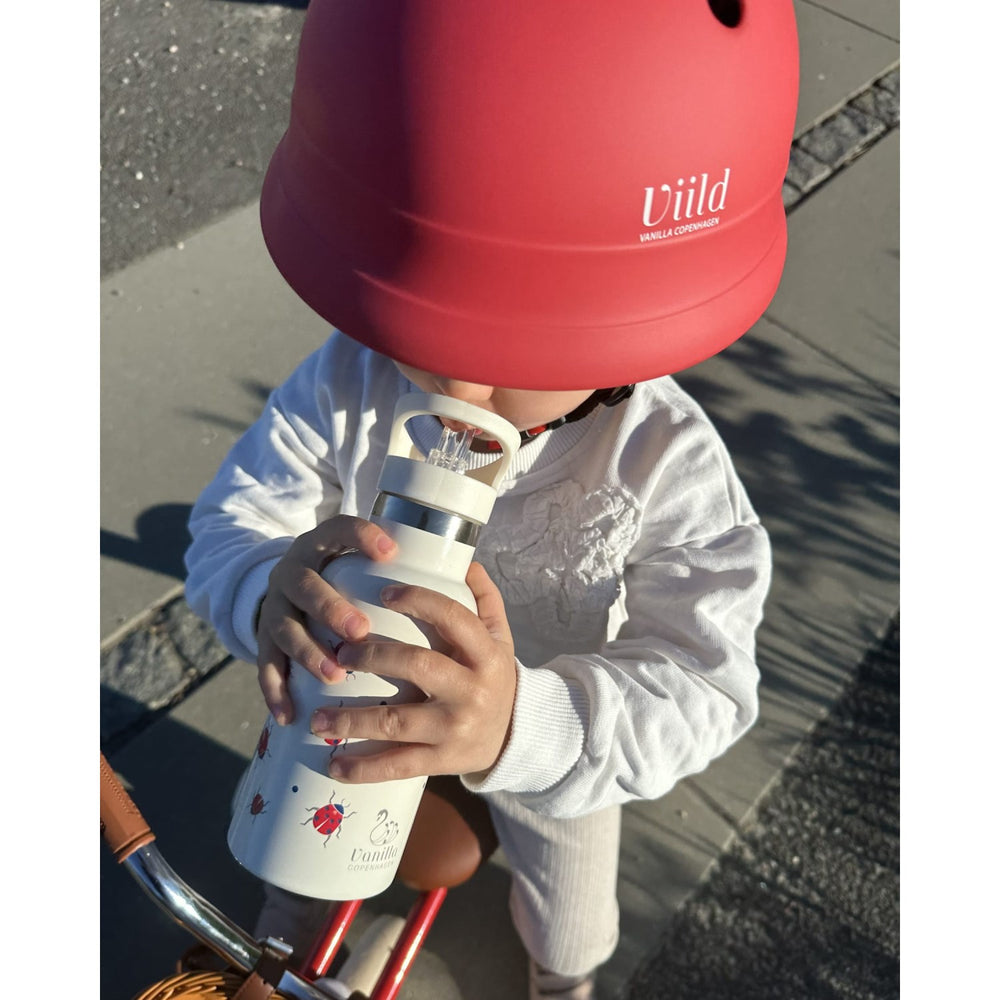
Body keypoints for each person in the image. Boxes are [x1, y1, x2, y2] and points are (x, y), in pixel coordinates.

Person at [184, 3, 799, 998]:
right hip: (351, 701)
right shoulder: (349, 379)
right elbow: (232, 522)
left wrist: (524, 723)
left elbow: (706, 679)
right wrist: (266, 595)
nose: (458, 391)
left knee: (574, 918)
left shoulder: (662, 461)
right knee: (293, 848)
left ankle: (563, 979)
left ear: (632, 334)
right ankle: (285, 942)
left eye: (517, 353)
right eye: (423, 332)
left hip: (553, 720)